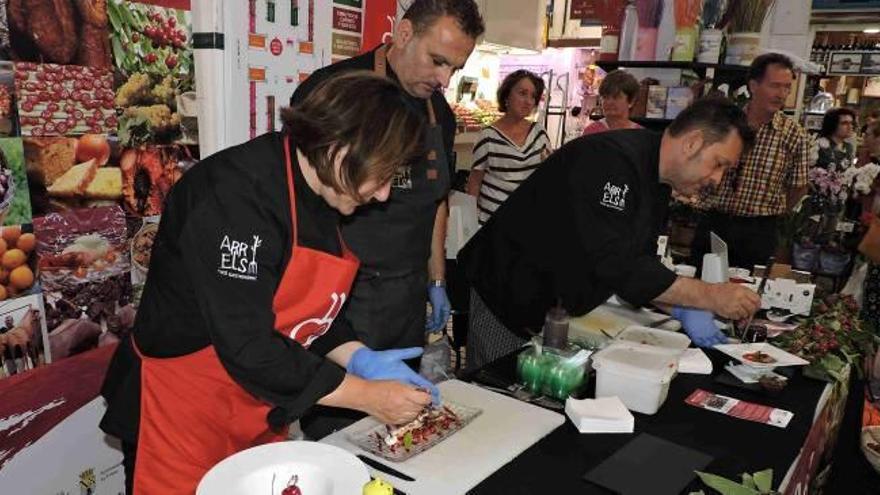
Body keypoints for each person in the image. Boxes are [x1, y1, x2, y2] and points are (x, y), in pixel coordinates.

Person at [99, 73, 438, 495]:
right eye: (381, 176)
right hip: (179, 406)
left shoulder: (324, 191)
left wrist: (358, 357)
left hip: (252, 406)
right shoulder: (234, 194)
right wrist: (365, 396)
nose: (384, 195)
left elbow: (307, 310)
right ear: (337, 147)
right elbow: (248, 343)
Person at [290, 0, 484, 437]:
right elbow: (301, 201)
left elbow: (436, 202)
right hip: (344, 299)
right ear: (403, 34)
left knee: (399, 424)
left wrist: (436, 281)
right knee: (339, 431)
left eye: (455, 68)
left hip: (405, 294)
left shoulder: (441, 115)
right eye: (438, 61)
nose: (444, 80)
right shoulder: (336, 90)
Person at [458, 97, 762, 369]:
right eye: (719, 165)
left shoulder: (657, 181)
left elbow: (639, 259)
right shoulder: (610, 161)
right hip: (506, 296)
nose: (717, 180)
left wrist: (681, 306)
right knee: (498, 391)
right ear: (693, 142)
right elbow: (617, 263)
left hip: (552, 307)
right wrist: (709, 296)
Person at [690, 53, 811, 271]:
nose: (781, 94)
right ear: (754, 85)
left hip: (758, 230)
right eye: (775, 86)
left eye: (786, 88)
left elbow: (799, 186)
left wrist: (773, 211)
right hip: (715, 220)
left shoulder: (793, 134)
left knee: (746, 295)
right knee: (700, 283)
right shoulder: (724, 123)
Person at [466, 69, 551, 224]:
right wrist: (470, 221)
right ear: (507, 95)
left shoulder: (539, 132)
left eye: (533, 96)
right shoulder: (488, 136)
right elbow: (474, 182)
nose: (528, 101)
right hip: (492, 222)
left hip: (528, 219)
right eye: (522, 93)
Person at [582, 69, 643, 136]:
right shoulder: (591, 132)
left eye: (616, 97)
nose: (609, 102)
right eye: (605, 97)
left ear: (631, 101)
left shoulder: (640, 135)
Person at [816, 107, 856, 172]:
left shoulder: (849, 147)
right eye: (844, 123)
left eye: (851, 123)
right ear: (833, 125)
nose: (850, 127)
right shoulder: (819, 145)